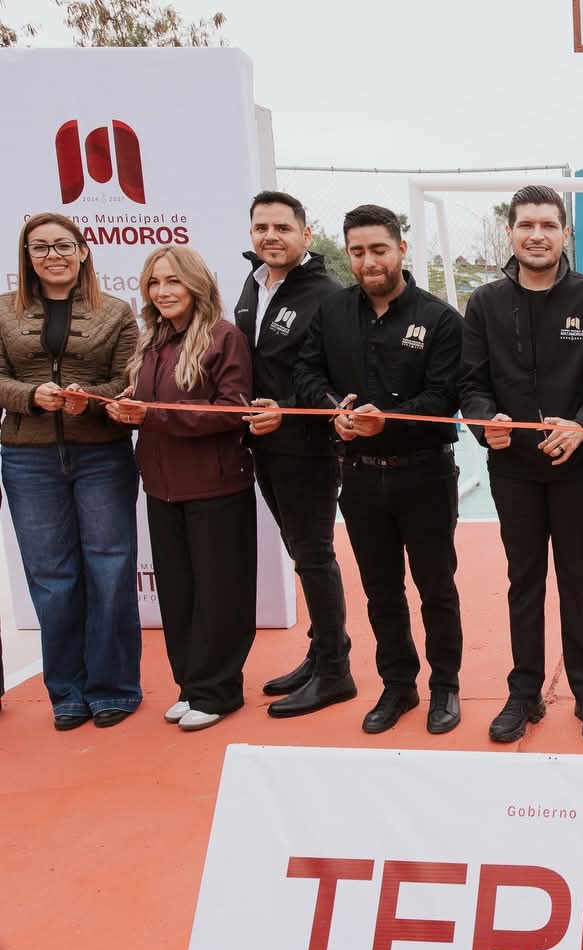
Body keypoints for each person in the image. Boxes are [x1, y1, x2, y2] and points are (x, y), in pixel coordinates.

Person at [460, 185, 583, 744]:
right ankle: (524, 690)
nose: (537, 235)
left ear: (564, 233)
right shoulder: (484, 303)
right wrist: (486, 422)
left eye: (548, 225)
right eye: (526, 225)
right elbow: (472, 384)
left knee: (577, 580)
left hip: (581, 466)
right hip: (514, 469)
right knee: (524, 580)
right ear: (510, 232)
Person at [293, 204, 464, 735]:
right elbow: (306, 373)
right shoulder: (332, 312)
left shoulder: (440, 319)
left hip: (425, 474)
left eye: (379, 250)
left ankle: (445, 686)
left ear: (401, 250)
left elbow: (445, 398)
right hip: (361, 476)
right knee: (381, 589)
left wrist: (387, 419)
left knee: (436, 587)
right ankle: (398, 685)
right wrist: (335, 411)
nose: (369, 261)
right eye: (358, 251)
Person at [0, 213, 140, 730]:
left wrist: (92, 399)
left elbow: (128, 379)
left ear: (83, 251)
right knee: (52, 577)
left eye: (62, 245)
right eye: (39, 247)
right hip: (27, 458)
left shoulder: (116, 311)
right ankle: (67, 692)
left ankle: (114, 689)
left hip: (102, 454)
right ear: (27, 256)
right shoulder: (3, 311)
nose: (52, 255)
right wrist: (30, 396)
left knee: (110, 569)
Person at [107, 246, 255, 732]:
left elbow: (232, 410)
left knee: (219, 593)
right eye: (154, 282)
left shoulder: (225, 337)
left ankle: (220, 691)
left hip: (215, 486)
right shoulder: (153, 340)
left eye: (173, 280)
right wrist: (128, 406)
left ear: (195, 283)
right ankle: (192, 684)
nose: (162, 291)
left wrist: (151, 414)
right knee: (178, 593)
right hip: (161, 487)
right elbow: (153, 405)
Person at [231, 191, 353, 719]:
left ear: (306, 234)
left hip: (309, 450)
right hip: (262, 446)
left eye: (282, 228)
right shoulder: (252, 285)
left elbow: (335, 381)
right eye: (261, 227)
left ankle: (336, 673)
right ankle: (321, 651)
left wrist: (288, 412)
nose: (270, 236)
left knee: (314, 555)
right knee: (302, 554)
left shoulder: (327, 295)